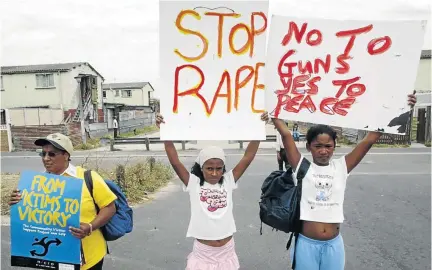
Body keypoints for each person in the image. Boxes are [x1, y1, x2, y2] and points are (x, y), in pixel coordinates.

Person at [272, 94, 416, 270]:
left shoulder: (341, 167)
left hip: (334, 245)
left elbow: (370, 139)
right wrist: (273, 115)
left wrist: (400, 108)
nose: (323, 151)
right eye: (318, 146)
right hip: (306, 245)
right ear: (309, 146)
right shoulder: (302, 167)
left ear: (334, 146)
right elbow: (286, 134)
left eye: (328, 146)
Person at [156, 112, 269, 270]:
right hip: (203, 254)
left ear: (224, 168)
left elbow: (247, 157)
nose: (214, 173)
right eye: (209, 168)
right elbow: (175, 160)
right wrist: (165, 133)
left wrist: (259, 128)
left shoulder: (228, 181)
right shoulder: (193, 183)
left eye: (219, 168)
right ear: (201, 168)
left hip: (227, 251)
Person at [8, 133, 117, 270]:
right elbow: (30, 216)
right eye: (43, 154)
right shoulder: (35, 184)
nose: (46, 159)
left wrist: (90, 227)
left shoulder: (87, 177)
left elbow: (109, 207)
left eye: (52, 154)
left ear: (66, 155)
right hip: (54, 256)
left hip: (89, 256)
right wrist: (17, 203)